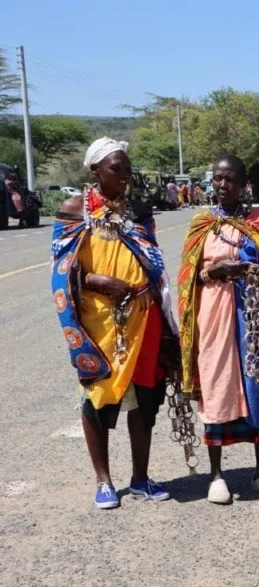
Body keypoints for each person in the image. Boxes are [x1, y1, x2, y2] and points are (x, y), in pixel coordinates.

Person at [50, 138, 180, 509]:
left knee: (145, 398)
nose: (124, 175)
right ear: (95, 171)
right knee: (98, 396)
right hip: (100, 320)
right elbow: (62, 271)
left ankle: (140, 477)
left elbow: (153, 264)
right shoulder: (74, 211)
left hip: (143, 315)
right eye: (115, 168)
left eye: (126, 168)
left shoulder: (138, 209)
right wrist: (98, 281)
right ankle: (104, 481)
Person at [178, 154, 259, 504]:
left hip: (252, 316)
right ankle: (216, 475)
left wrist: (251, 270)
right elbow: (188, 279)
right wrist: (217, 272)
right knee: (217, 383)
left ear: (244, 185)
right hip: (213, 314)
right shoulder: (201, 223)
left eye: (230, 180)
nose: (222, 185)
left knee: (258, 383)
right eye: (217, 178)